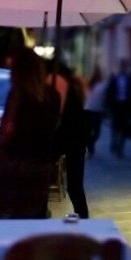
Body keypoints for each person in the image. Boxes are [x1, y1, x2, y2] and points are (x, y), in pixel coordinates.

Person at [0, 49, 62, 218]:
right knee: (31, 216)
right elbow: (53, 126)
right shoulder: (53, 95)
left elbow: (8, 128)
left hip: (15, 163)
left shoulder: (18, 94)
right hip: (40, 165)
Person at [50, 61, 90, 219]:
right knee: (75, 185)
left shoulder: (57, 81)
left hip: (67, 135)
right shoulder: (74, 84)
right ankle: (84, 218)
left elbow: (56, 113)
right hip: (77, 136)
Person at [106, 59, 131, 158]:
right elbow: (109, 93)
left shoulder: (130, 78)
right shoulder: (114, 78)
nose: (123, 68)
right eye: (122, 66)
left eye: (124, 66)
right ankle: (114, 142)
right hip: (116, 106)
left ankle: (120, 148)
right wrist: (109, 106)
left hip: (125, 106)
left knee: (123, 128)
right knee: (115, 127)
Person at [83, 66, 108, 157]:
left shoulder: (102, 85)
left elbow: (106, 95)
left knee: (97, 131)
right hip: (89, 109)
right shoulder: (90, 84)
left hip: (98, 110)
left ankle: (91, 144)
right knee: (89, 130)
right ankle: (90, 146)